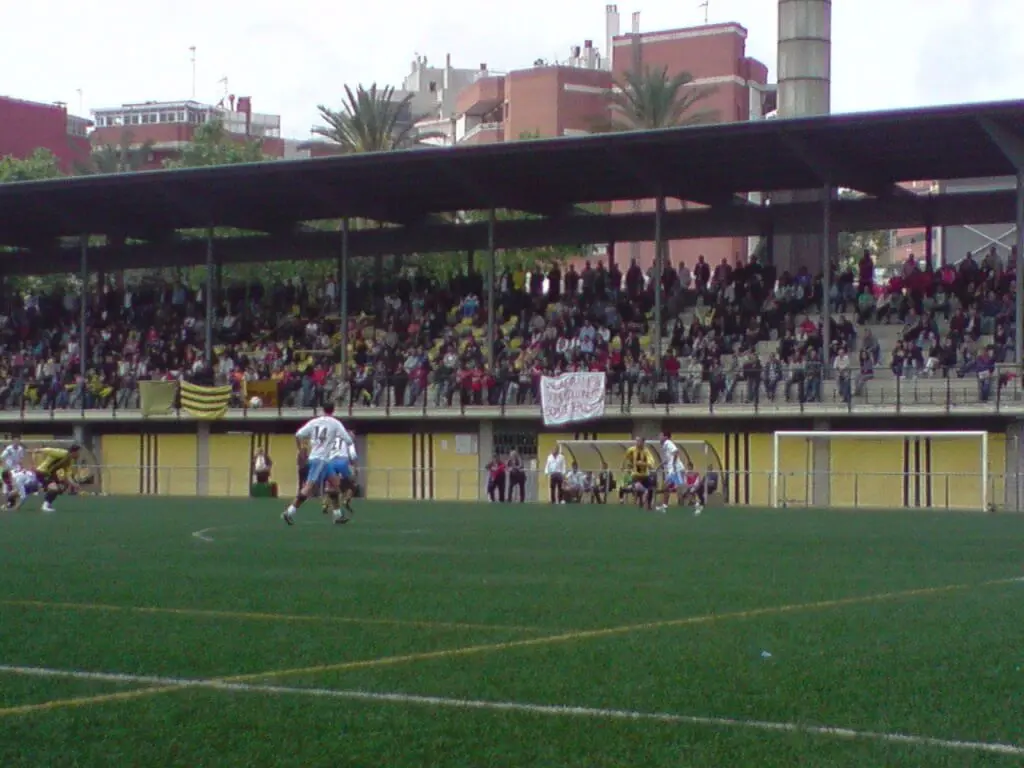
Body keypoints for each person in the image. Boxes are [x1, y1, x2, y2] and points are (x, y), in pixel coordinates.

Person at [283, 404, 354, 526]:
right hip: (320, 460)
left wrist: (300, 449)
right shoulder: (335, 423)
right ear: (333, 410)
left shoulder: (314, 421)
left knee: (335, 484)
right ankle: (289, 512)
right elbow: (348, 440)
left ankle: (337, 515)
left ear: (322, 410)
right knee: (309, 487)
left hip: (321, 460)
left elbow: (298, 434)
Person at [31, 443, 82, 513]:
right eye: (79, 452)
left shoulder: (70, 461)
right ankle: (44, 506)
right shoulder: (62, 453)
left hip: (50, 474)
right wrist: (38, 453)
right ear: (74, 452)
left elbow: (67, 476)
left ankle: (48, 502)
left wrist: (75, 485)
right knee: (54, 489)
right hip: (43, 472)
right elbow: (46, 450)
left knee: (61, 487)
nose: (79, 454)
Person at [622, 437, 654, 510]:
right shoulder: (631, 450)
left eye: (639, 441)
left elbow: (651, 463)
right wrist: (622, 466)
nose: (637, 442)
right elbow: (625, 457)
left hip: (645, 475)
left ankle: (648, 505)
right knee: (638, 487)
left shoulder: (646, 452)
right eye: (636, 441)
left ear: (643, 442)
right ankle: (639, 498)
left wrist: (643, 464)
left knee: (651, 489)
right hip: (635, 475)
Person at [656, 432, 684, 512]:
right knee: (668, 487)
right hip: (673, 470)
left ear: (665, 437)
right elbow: (669, 458)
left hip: (675, 469)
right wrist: (660, 465)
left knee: (679, 488)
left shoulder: (668, 443)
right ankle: (665, 506)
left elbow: (676, 452)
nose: (659, 437)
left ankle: (695, 504)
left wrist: (674, 465)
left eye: (661, 436)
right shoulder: (665, 445)